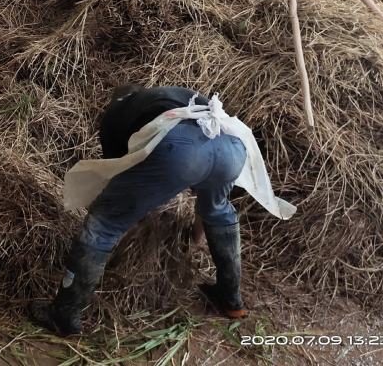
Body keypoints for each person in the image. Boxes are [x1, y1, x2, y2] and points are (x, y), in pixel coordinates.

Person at [29, 84, 248, 337]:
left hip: (181, 149)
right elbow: (206, 191)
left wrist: (125, 223)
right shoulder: (170, 98)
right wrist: (194, 242)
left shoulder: (115, 119)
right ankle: (231, 300)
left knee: (104, 224)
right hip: (231, 144)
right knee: (220, 209)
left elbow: (117, 180)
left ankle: (63, 314)